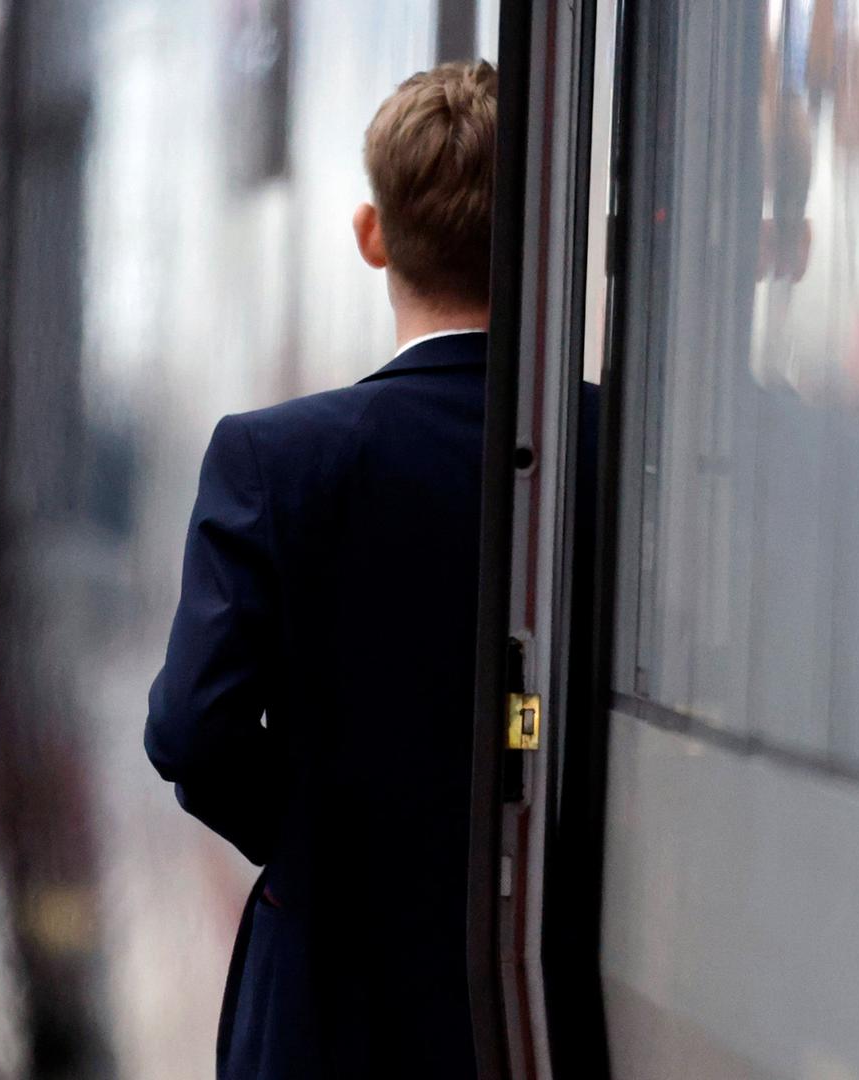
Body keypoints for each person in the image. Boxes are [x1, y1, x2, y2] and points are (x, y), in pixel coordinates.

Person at [146, 60, 593, 1078]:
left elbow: (193, 727)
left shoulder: (278, 457)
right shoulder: (612, 446)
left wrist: (313, 844)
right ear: (540, 234)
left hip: (326, 1005)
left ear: (371, 235)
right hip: (551, 994)